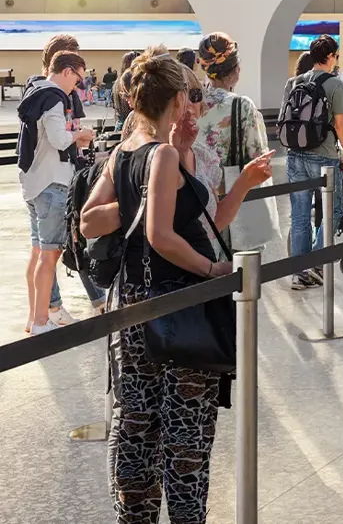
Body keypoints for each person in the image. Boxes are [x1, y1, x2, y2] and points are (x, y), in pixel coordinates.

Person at [80, 51, 272, 524]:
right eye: (190, 94)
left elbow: (101, 220)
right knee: (185, 426)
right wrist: (211, 270)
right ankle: (187, 516)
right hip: (179, 298)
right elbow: (160, 235)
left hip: (132, 301)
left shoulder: (126, 151)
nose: (195, 103)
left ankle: (134, 515)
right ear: (177, 97)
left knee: (136, 418)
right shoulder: (159, 153)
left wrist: (220, 177)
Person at [19, 49, 95, 333]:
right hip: (52, 184)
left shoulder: (36, 91)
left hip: (34, 182)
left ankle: (33, 317)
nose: (77, 86)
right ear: (67, 71)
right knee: (49, 256)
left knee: (39, 253)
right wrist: (80, 135)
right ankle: (41, 322)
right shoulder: (53, 98)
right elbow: (58, 139)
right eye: (78, 79)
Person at [284, 35, 343, 291]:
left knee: (300, 217)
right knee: (333, 210)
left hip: (295, 155)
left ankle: (299, 274)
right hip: (323, 156)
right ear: (329, 57)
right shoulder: (336, 85)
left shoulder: (293, 82)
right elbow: (340, 125)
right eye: (336, 55)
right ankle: (316, 263)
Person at [195, 33, 275, 253]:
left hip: (197, 199)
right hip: (232, 199)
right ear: (234, 70)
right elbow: (258, 155)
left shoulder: (192, 102)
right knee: (239, 272)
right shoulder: (242, 106)